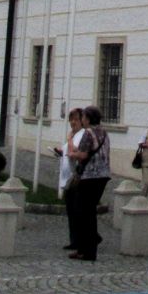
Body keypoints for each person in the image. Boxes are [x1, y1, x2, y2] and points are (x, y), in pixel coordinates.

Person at [68, 106, 111, 261]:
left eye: (84, 117)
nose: (82, 119)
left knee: (83, 212)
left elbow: (83, 154)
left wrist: (72, 153)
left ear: (88, 118)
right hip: (103, 175)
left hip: (89, 176)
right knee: (89, 211)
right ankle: (88, 248)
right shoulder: (104, 133)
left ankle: (87, 249)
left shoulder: (88, 133)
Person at [55, 107, 85, 251]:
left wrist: (69, 140)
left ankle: (81, 240)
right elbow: (67, 151)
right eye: (71, 119)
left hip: (76, 178)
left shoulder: (81, 135)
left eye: (76, 119)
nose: (73, 122)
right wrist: (61, 151)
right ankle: (74, 240)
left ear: (82, 121)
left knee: (76, 211)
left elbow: (75, 152)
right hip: (67, 177)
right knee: (71, 211)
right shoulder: (73, 135)